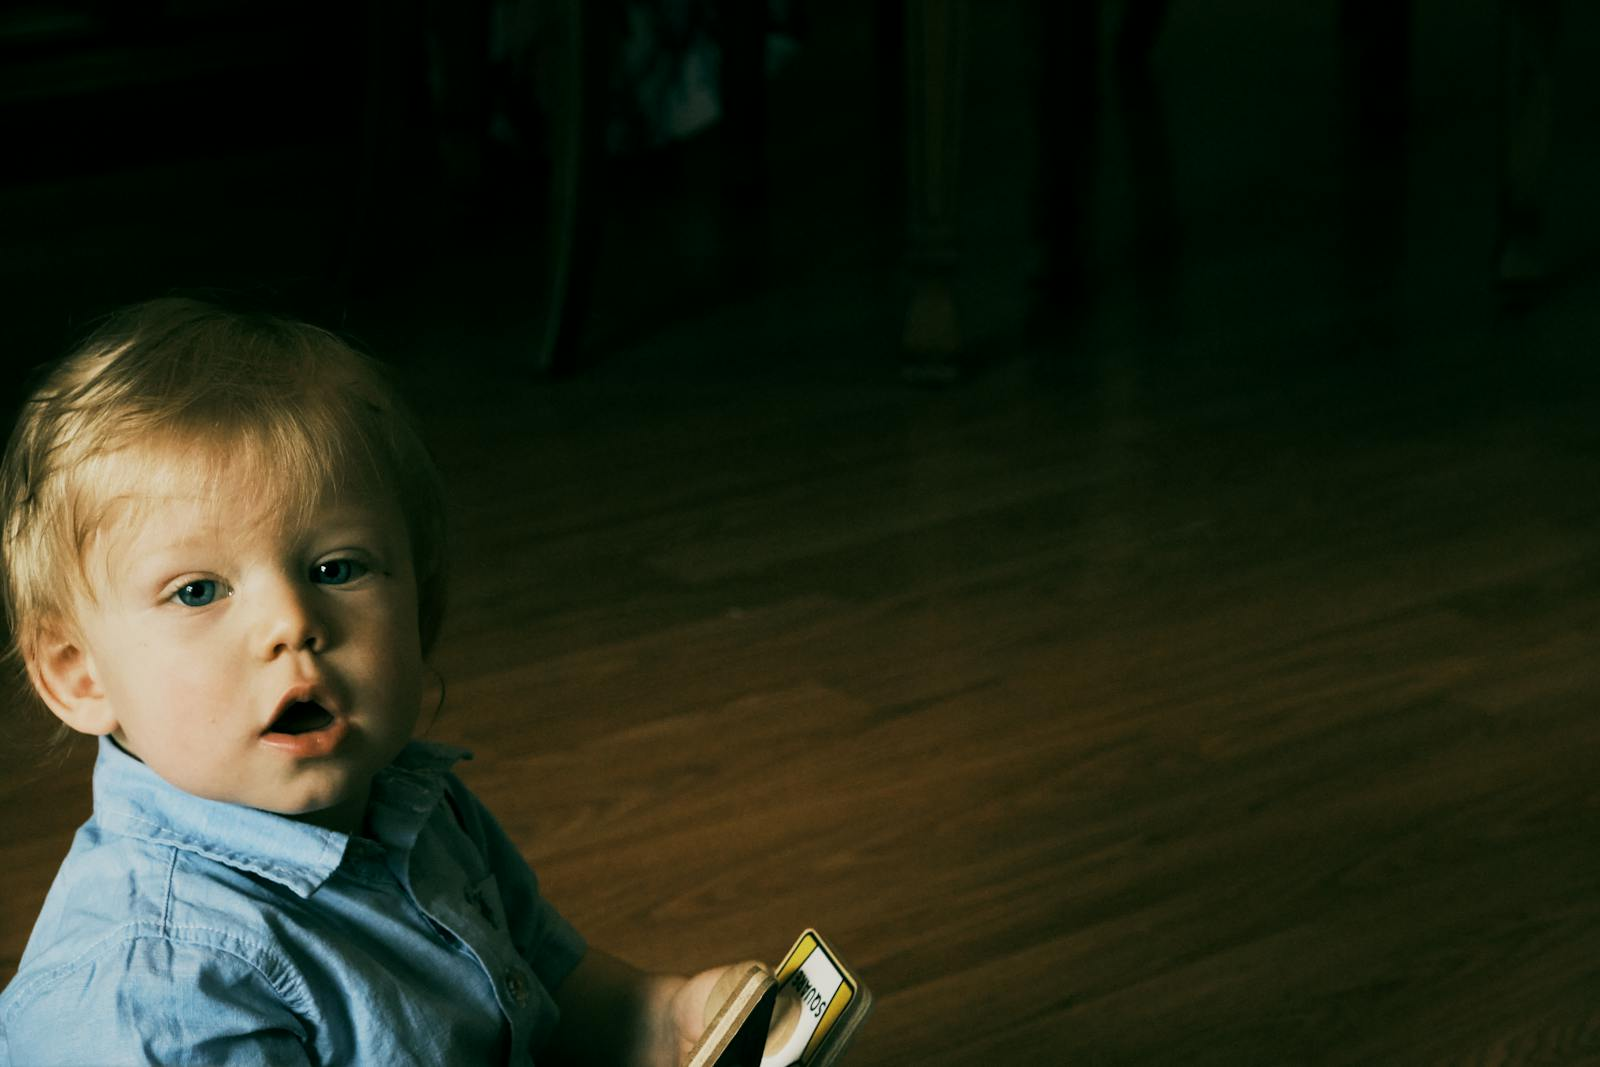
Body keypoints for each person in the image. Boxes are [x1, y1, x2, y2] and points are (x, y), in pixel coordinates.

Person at [0, 298, 757, 1065]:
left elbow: (554, 989)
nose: (291, 622)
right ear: (79, 676)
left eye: (337, 568)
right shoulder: (157, 991)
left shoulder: (418, 807)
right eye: (198, 590)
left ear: (419, 607)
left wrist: (669, 1019)